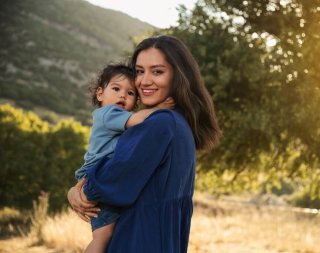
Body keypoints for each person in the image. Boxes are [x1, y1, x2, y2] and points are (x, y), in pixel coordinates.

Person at [68, 35, 220, 253]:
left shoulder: (159, 124)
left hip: (138, 240)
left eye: (157, 71)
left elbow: (112, 183)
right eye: (139, 71)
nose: (144, 81)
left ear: (178, 76)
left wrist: (77, 192)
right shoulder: (178, 122)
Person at [76, 63, 174, 253]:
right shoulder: (108, 114)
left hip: (103, 175)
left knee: (112, 234)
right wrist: (160, 108)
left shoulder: (118, 118)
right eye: (116, 89)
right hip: (96, 174)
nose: (122, 95)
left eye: (130, 93)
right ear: (99, 94)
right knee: (102, 237)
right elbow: (137, 120)